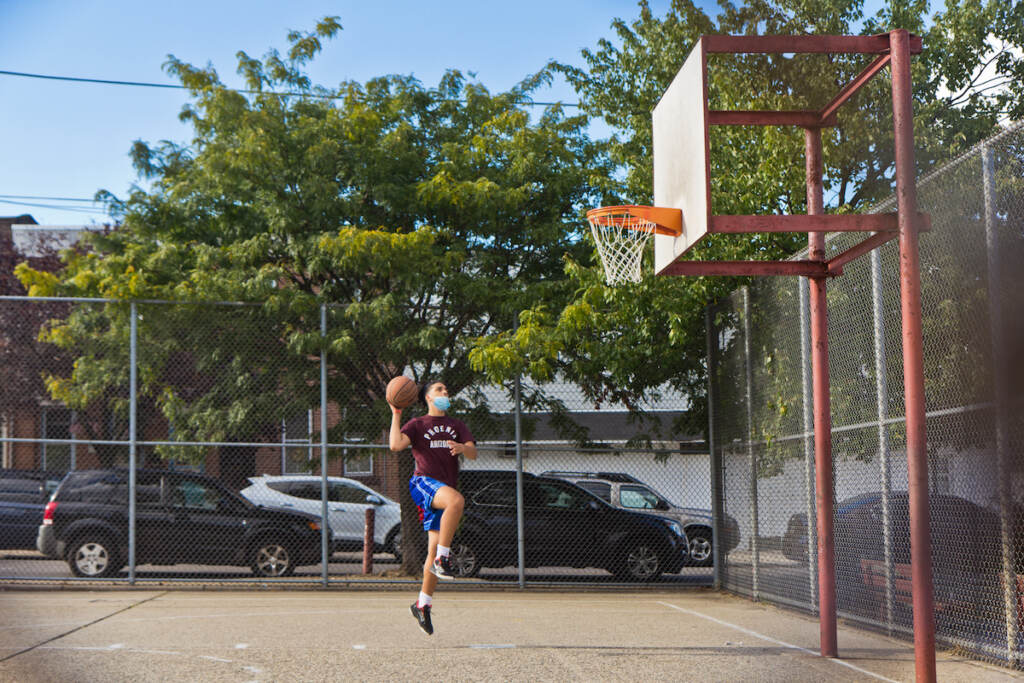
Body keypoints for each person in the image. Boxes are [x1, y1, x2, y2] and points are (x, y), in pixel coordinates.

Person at [389, 380, 476, 635]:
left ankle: (422, 604)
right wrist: (395, 413)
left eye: (447, 390)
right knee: (456, 501)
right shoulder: (418, 424)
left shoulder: (456, 426)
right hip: (424, 482)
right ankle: (443, 558)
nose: (445, 392)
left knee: (432, 547)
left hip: (443, 489)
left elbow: (473, 452)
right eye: (439, 390)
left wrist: (462, 448)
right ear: (427, 397)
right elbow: (395, 445)